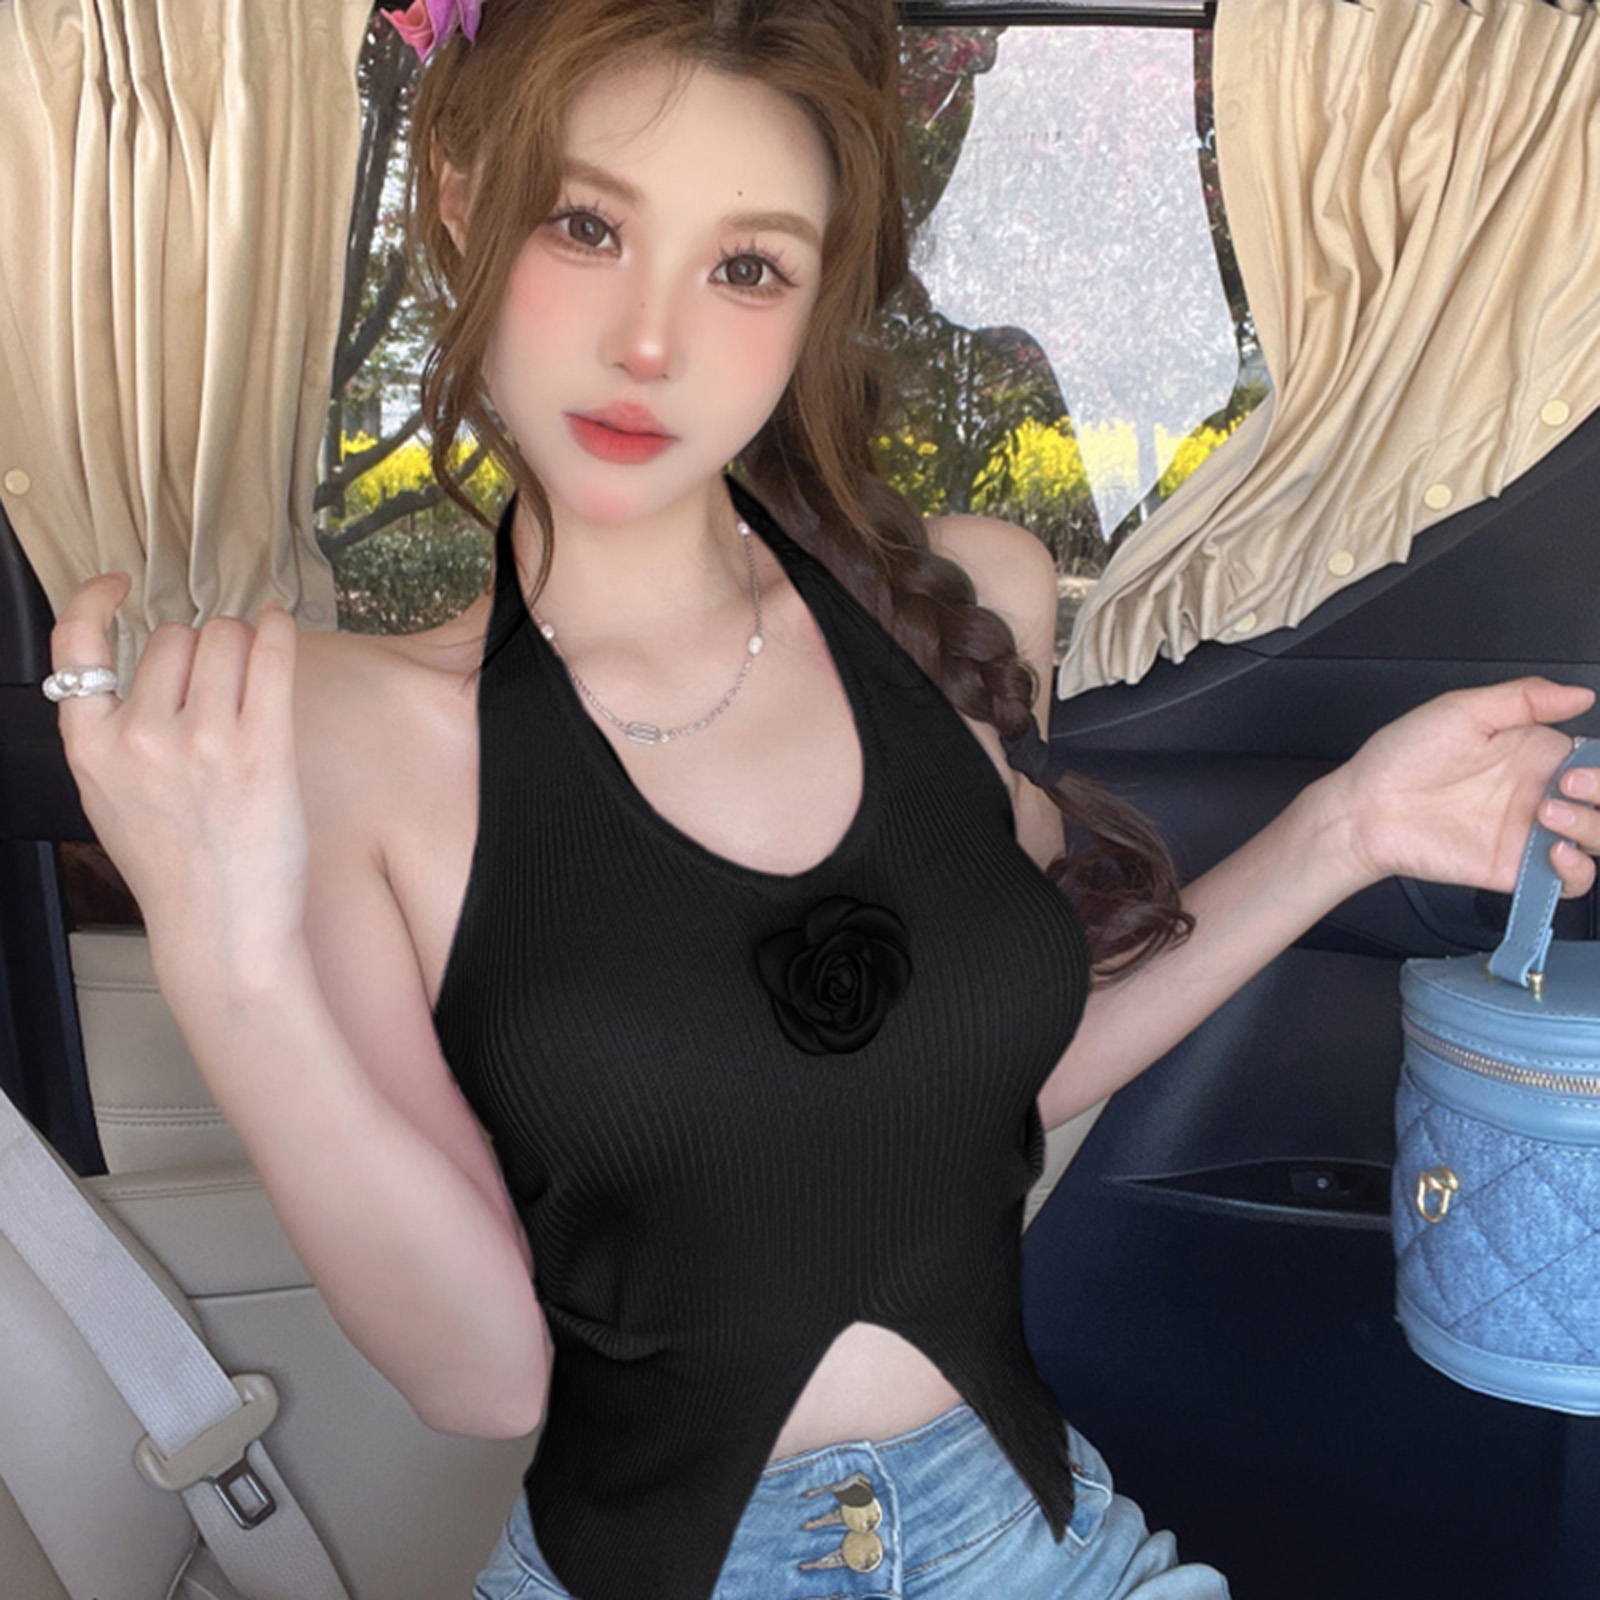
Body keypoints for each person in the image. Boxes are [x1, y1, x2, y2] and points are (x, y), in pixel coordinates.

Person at [41, 1, 1600, 1596]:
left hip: (1035, 1539)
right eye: (587, 226)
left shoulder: (968, 601)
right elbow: (487, 1377)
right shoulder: (347, 726)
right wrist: (226, 963)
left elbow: (980, 1098)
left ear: (816, 293)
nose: (650, 344)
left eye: (746, 266)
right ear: (459, 199)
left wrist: (1348, 828)